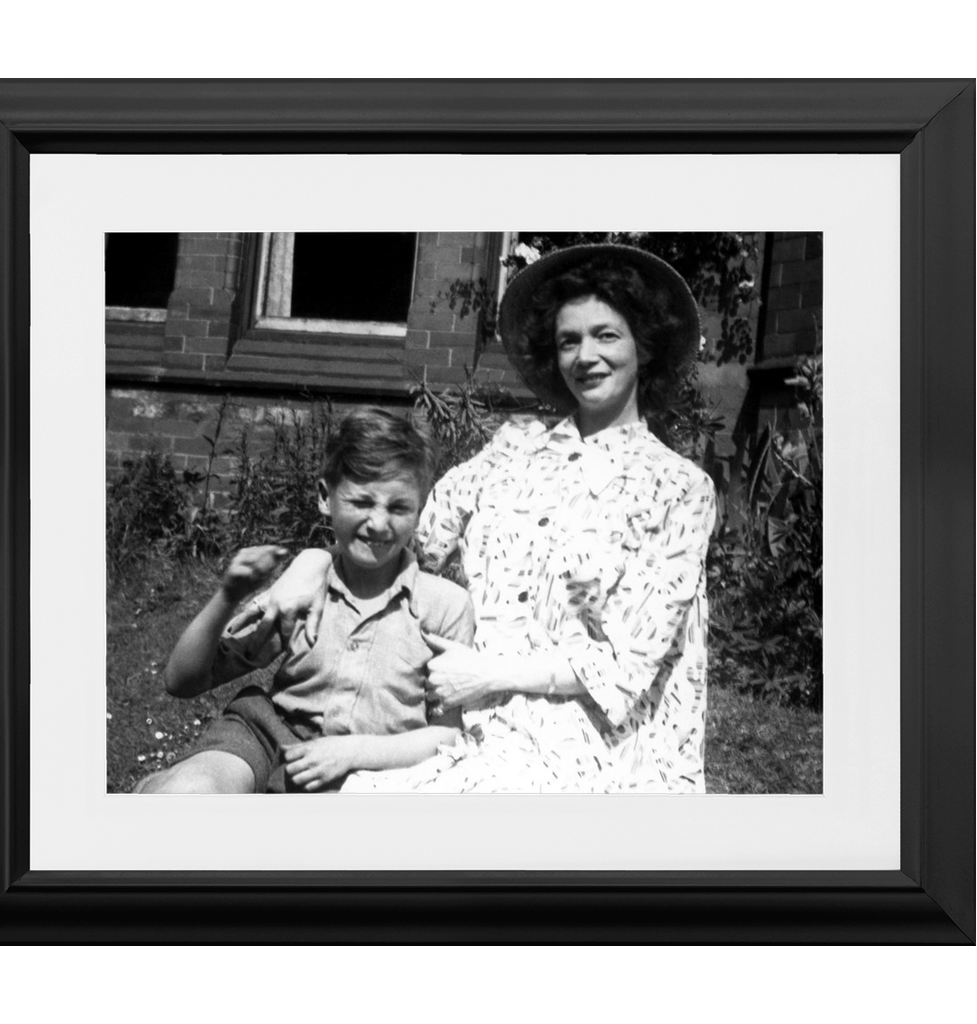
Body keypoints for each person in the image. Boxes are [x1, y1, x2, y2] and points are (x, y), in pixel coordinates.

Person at [258, 244, 716, 793]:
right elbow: (403, 539)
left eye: (606, 335)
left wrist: (487, 674)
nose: (584, 356)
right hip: (475, 722)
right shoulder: (510, 451)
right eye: (569, 340)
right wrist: (311, 563)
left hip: (601, 747)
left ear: (644, 345)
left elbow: (627, 665)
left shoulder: (679, 487)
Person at [136, 407, 475, 794]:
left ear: (419, 510)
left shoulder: (444, 607)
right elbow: (183, 681)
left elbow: (447, 734)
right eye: (361, 503)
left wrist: (352, 752)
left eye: (398, 507)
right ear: (324, 498)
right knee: (187, 794)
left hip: (372, 769)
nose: (379, 523)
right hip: (268, 736)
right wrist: (228, 596)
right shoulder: (302, 587)